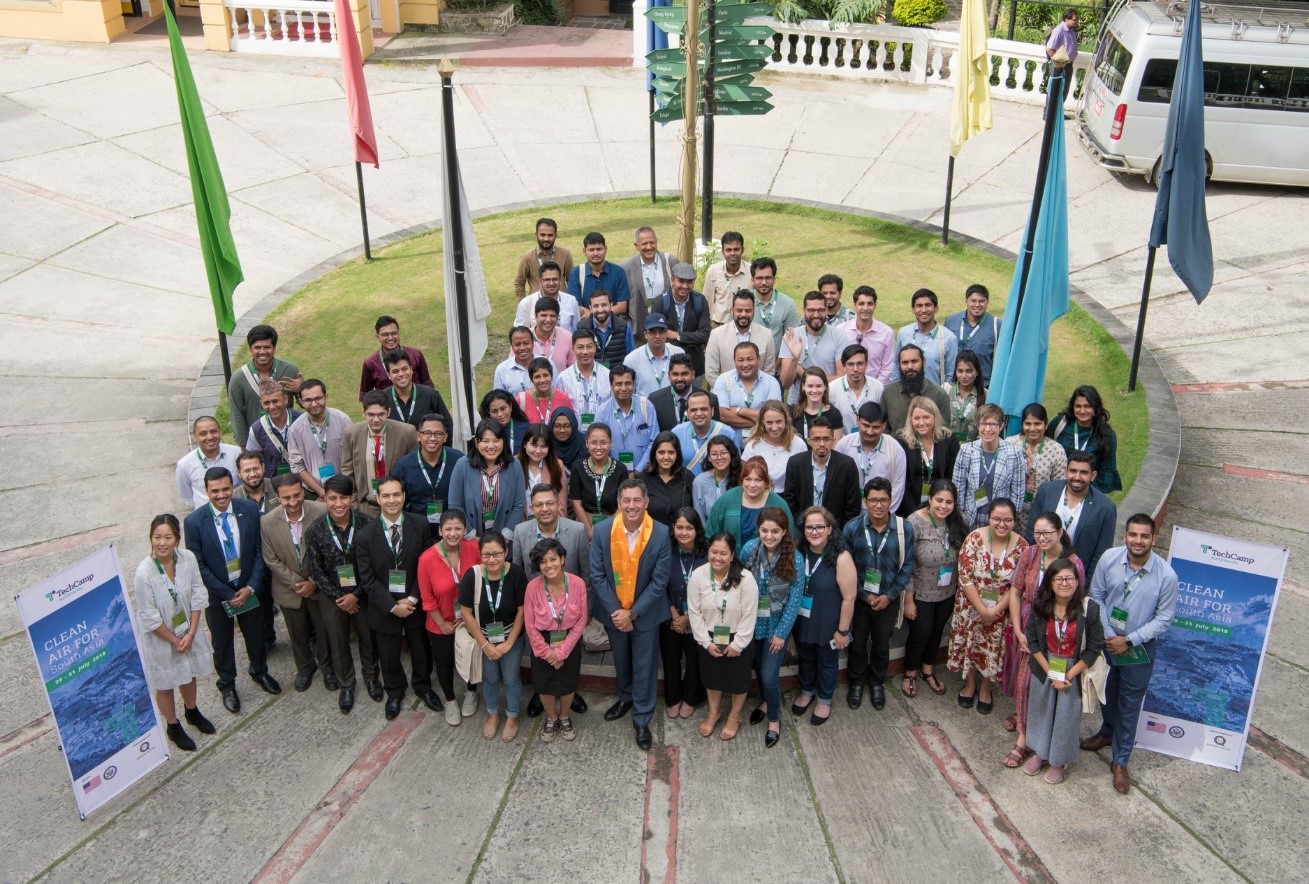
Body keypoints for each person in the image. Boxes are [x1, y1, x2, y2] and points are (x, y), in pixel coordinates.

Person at [1084, 514, 1179, 795]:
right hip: (1107, 640)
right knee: (1106, 691)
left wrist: (1130, 639)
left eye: (1144, 536)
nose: (1138, 541)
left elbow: (1164, 619)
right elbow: (1097, 596)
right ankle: (1106, 731)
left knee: (1129, 703)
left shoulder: (1166, 576)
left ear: (1154, 539)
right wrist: (1106, 633)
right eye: (1133, 535)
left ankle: (1121, 760)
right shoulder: (1109, 559)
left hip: (1138, 649)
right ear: (1124, 535)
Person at [183, 468, 281, 714]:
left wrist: (250, 586)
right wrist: (227, 594)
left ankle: (260, 672)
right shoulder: (193, 522)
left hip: (248, 588)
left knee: (255, 635)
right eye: (215, 491)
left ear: (232, 486)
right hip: (218, 596)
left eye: (226, 489)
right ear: (206, 491)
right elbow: (199, 566)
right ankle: (227, 684)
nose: (221, 495)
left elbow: (260, 551)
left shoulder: (247, 510)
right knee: (223, 643)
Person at [589, 478, 673, 751]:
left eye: (637, 500)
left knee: (645, 665)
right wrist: (616, 611)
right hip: (614, 612)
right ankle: (625, 698)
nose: (632, 505)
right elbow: (597, 575)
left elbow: (659, 582)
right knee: (622, 660)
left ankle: (642, 716)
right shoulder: (602, 531)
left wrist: (632, 613)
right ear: (619, 503)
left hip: (645, 614)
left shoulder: (660, 533)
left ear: (646, 503)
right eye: (627, 500)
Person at [1003, 512, 1084, 767]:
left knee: (1036, 682)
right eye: (1037, 533)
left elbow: (1075, 605)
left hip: (1053, 632)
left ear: (1060, 533)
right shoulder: (1030, 554)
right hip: (1026, 623)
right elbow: (1015, 591)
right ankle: (1023, 720)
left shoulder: (1072, 563)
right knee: (1022, 679)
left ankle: (1025, 740)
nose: (1042, 538)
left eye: (1047, 533)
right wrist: (1017, 628)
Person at [356, 477, 440, 720]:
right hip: (385, 607)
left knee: (421, 649)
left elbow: (426, 567)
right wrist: (393, 606)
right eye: (386, 495)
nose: (391, 500)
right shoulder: (364, 536)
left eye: (396, 495)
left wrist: (412, 599)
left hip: (415, 603)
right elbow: (367, 579)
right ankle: (394, 691)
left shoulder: (421, 524)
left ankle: (423, 686)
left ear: (404, 496)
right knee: (388, 653)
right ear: (377, 498)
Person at [134, 514, 216, 751]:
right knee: (166, 683)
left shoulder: (187, 558)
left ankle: (192, 711)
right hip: (162, 638)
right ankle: (173, 725)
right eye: (157, 537)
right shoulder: (144, 573)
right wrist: (175, 640)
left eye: (168, 537)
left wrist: (190, 633)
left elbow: (199, 592)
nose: (162, 543)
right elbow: (148, 616)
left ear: (177, 538)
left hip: (187, 631)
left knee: (189, 673)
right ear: (150, 538)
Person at [303, 474, 382, 713]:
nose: (338, 504)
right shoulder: (315, 530)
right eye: (332, 498)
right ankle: (346, 684)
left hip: (363, 593)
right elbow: (316, 570)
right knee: (338, 641)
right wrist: (340, 597)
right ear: (324, 499)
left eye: (344, 498)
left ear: (353, 498)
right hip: (331, 596)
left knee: (368, 638)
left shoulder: (368, 524)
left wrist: (356, 595)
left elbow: (374, 565)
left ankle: (371, 677)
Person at [1024, 558, 1103, 784]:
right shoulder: (1040, 606)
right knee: (1041, 711)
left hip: (1073, 671)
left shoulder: (1090, 609)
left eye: (1070, 578)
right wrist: (1051, 673)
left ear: (1078, 581)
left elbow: (1094, 647)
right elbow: (1032, 642)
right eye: (1059, 579)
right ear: (1049, 582)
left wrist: (1067, 676)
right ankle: (1040, 753)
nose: (1065, 583)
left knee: (1066, 718)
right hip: (1045, 667)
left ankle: (1059, 760)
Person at [842, 478, 916, 710]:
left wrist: (890, 595)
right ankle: (856, 683)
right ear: (866, 501)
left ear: (891, 501)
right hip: (859, 599)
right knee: (857, 644)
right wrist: (864, 595)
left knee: (882, 644)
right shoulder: (852, 528)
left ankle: (876, 683)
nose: (878, 505)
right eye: (873, 500)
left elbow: (908, 565)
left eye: (883, 500)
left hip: (888, 599)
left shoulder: (904, 529)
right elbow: (846, 567)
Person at [949, 498, 1028, 715]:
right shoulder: (974, 538)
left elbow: (1017, 585)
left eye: (1007, 520)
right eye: (996, 519)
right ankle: (970, 684)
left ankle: (986, 687)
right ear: (989, 518)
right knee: (972, 646)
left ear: (1014, 520)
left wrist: (995, 611)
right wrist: (982, 609)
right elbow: (965, 578)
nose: (1001, 525)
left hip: (1001, 613)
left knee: (993, 651)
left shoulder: (1023, 547)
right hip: (971, 608)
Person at [260, 474, 333, 694]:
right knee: (297, 633)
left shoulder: (320, 511)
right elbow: (270, 558)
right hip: (288, 589)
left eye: (297, 495)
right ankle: (304, 668)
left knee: (324, 630)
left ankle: (328, 668)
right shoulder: (267, 521)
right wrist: (296, 582)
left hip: (318, 586)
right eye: (286, 498)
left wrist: (313, 581)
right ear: (278, 498)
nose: (293, 502)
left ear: (303, 491)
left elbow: (328, 550)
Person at [741, 508, 805, 747]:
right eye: (765, 530)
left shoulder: (794, 557)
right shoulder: (749, 549)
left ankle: (775, 721)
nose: (769, 536)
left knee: (769, 675)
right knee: (758, 665)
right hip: (753, 620)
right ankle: (767, 701)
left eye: (775, 531)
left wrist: (781, 633)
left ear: (784, 531)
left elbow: (795, 599)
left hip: (777, 621)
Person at [456, 531, 529, 741]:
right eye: (486, 555)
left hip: (511, 638)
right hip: (483, 639)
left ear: (506, 552)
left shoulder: (516, 574)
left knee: (511, 678)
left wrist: (509, 642)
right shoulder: (473, 575)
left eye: (497, 554)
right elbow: (467, 613)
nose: (492, 560)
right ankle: (492, 713)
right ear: (480, 555)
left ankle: (512, 716)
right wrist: (485, 644)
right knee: (489, 678)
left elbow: (522, 611)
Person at [686, 533, 758, 741]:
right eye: (714, 552)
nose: (718, 557)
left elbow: (749, 614)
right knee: (712, 679)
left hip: (738, 637)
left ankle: (734, 716)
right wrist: (705, 643)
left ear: (732, 555)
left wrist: (739, 644)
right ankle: (714, 712)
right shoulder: (699, 575)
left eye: (723, 553)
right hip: (708, 636)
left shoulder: (745, 578)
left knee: (739, 681)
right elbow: (694, 612)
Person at [903, 480, 968, 699]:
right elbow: (907, 563)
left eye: (949, 502)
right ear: (930, 499)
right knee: (920, 634)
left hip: (948, 592)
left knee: (937, 631)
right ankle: (910, 673)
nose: (943, 506)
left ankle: (927, 670)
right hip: (921, 592)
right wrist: (909, 599)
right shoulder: (914, 522)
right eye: (939, 500)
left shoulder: (960, 521)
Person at [791, 506, 857, 725]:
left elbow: (849, 598)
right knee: (806, 657)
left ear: (830, 529)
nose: (814, 531)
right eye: (809, 527)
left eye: (820, 526)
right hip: (802, 618)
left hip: (830, 622)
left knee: (827, 662)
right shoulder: (798, 552)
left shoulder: (841, 556)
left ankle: (824, 699)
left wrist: (843, 631)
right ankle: (807, 691)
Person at [417, 510, 481, 727]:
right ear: (440, 530)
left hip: (469, 618)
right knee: (444, 663)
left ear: (465, 530)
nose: (453, 533)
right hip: (441, 622)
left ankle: (472, 692)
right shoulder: (426, 559)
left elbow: (480, 579)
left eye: (458, 529)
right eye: (448, 529)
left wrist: (468, 618)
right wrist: (442, 623)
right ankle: (450, 699)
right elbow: (426, 599)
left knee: (471, 656)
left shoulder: (473, 548)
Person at [524, 538, 589, 742]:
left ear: (562, 559)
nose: (549, 565)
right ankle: (551, 718)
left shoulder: (577, 584)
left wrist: (561, 652)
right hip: (542, 642)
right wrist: (547, 653)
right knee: (544, 685)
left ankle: (565, 716)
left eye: (553, 559)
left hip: (569, 640)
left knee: (568, 684)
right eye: (543, 561)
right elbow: (530, 625)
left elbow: (580, 622)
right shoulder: (532, 588)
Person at [1028, 451, 1117, 577]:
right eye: (1073, 471)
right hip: (1041, 569)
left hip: (1073, 577)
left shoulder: (1105, 508)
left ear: (1093, 475)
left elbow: (1101, 553)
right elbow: (1032, 530)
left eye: (1084, 472)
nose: (1077, 477)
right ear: (1066, 471)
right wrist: (1031, 567)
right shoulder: (1047, 491)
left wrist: (1085, 586)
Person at [341, 390, 419, 516]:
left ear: (388, 412)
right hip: (366, 507)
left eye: (381, 414)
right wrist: (355, 504)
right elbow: (347, 470)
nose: (376, 419)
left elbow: (414, 471)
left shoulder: (406, 432)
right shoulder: (351, 433)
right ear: (363, 413)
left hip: (397, 507)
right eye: (371, 414)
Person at [662, 508, 708, 720]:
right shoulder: (664, 551)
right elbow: (657, 585)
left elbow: (712, 589)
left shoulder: (707, 554)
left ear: (697, 530)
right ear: (673, 529)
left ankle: (691, 697)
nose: (684, 532)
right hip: (670, 617)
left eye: (689, 528)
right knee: (670, 658)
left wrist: (689, 618)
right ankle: (672, 698)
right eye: (679, 527)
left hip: (698, 618)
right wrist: (674, 615)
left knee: (694, 659)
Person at [448, 420, 527, 541]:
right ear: (476, 442)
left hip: (505, 539)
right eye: (485, 441)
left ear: (503, 442)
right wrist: (471, 535)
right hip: (471, 536)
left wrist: (504, 537)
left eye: (496, 441)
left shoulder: (514, 466)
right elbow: (455, 504)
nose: (491, 446)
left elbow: (519, 505)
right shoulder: (462, 465)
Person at [953, 403, 1026, 529]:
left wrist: (1010, 520)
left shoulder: (1014, 453)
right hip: (971, 518)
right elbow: (958, 487)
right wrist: (961, 518)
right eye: (983, 424)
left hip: (1000, 521)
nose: (987, 429)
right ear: (978, 425)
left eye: (992, 424)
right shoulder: (966, 450)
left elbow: (1017, 492)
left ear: (1001, 426)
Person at [228, 324, 303, 448]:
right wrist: (244, 446)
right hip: (257, 440)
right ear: (250, 349)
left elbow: (305, 404)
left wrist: (301, 390)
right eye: (257, 347)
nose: (262, 352)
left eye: (267, 347)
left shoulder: (290, 370)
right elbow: (237, 414)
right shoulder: (238, 378)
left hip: (288, 439)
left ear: (274, 348)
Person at [782, 416, 861, 528]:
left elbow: (852, 506)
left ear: (833, 441)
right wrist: (802, 528)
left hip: (835, 531)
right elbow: (790, 501)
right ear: (809, 440)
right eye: (816, 439)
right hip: (803, 530)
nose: (822, 443)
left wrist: (838, 532)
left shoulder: (846, 465)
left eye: (826, 438)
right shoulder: (795, 463)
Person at [393, 413, 464, 534]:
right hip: (416, 530)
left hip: (452, 530)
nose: (432, 438)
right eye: (427, 433)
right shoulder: (404, 465)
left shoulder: (459, 460)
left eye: (438, 434)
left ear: (445, 437)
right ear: (418, 436)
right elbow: (398, 500)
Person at [707, 456, 792, 551]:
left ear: (766, 482)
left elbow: (790, 538)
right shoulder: (727, 499)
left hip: (767, 562)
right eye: (748, 479)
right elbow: (711, 532)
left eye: (758, 480)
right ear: (741, 480)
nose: (752, 485)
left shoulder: (778, 504)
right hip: (732, 561)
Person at [1007, 403, 1068, 535]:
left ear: (1045, 425)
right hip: (1011, 511)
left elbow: (1059, 486)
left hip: (1041, 511)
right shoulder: (1010, 444)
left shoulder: (1056, 450)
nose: (1032, 428)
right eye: (1028, 424)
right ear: (1022, 424)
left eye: (1037, 424)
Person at [1049, 385, 1122, 494]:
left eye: (1087, 406)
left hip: (1087, 492)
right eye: (1078, 406)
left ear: (1095, 408)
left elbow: (1106, 474)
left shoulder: (1107, 435)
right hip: (1056, 489)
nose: (1082, 411)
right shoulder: (1060, 423)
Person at [896, 396, 961, 519]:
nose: (921, 423)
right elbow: (901, 482)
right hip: (908, 507)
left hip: (941, 508)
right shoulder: (901, 441)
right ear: (910, 419)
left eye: (926, 417)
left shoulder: (949, 439)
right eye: (916, 418)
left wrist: (939, 508)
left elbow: (951, 477)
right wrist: (914, 515)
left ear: (935, 417)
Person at [834, 402, 907, 512]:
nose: (870, 432)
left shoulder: (895, 449)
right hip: (849, 513)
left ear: (884, 425)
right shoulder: (844, 445)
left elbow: (897, 488)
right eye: (866, 426)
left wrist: (882, 515)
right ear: (858, 421)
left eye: (876, 427)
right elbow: (836, 482)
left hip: (882, 515)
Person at [779, 291, 848, 406]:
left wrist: (804, 373)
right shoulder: (792, 336)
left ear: (826, 310)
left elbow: (841, 379)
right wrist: (795, 360)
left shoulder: (839, 336)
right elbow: (786, 383)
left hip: (827, 403)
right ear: (804, 310)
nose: (816, 315)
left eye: (820, 310)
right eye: (811, 310)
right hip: (797, 404)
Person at [288, 379, 352, 500]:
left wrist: (340, 489)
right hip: (313, 494)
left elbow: (352, 457)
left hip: (343, 489)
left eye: (318, 398)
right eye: (308, 400)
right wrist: (322, 492)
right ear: (301, 402)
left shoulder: (343, 421)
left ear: (325, 397)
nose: (314, 404)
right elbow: (297, 466)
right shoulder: (295, 429)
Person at [512, 483, 590, 582]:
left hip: (570, 595)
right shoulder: (520, 532)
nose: (545, 509)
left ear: (559, 505)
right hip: (534, 596)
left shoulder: (578, 531)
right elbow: (517, 574)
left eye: (549, 503)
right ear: (532, 508)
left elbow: (586, 574)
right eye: (539, 505)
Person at [569, 422, 630, 540]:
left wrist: (608, 530)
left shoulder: (620, 469)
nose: (598, 447)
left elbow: (623, 503)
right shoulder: (578, 467)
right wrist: (589, 531)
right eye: (594, 443)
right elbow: (576, 503)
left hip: (613, 524)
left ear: (611, 443)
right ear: (587, 443)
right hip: (585, 523)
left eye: (603, 443)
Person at [705, 291, 778, 388]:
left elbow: (769, 372)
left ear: (754, 311)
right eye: (739, 310)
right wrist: (729, 393)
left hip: (757, 397)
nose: (743, 314)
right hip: (725, 396)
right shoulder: (716, 335)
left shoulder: (767, 335)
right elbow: (711, 374)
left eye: (748, 311)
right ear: (732, 310)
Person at [650, 262, 711, 377]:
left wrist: (677, 335)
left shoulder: (699, 301)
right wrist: (692, 337)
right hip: (667, 365)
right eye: (681, 281)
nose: (685, 286)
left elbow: (705, 335)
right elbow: (656, 334)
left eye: (689, 282)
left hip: (694, 366)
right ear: (672, 280)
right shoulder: (660, 302)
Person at [593, 365, 658, 471]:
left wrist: (638, 470)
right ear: (611, 386)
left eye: (628, 383)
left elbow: (654, 441)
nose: (623, 388)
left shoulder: (646, 406)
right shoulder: (603, 412)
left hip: (644, 473)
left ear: (633, 384)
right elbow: (598, 444)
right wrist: (616, 471)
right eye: (618, 384)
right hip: (612, 473)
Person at [892, 289, 959, 386]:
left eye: (928, 305)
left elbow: (951, 374)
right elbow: (896, 366)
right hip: (906, 394)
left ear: (936, 308)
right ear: (913, 309)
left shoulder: (949, 338)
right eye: (919, 306)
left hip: (935, 397)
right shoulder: (904, 333)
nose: (923, 310)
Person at [711, 341, 782, 432]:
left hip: (762, 438)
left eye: (750, 359)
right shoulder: (723, 380)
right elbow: (722, 414)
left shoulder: (771, 382)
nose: (745, 364)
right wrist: (761, 420)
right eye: (740, 360)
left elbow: (773, 416)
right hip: (730, 439)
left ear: (758, 359)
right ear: (734, 361)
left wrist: (739, 410)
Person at [359, 315, 433, 399]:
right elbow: (365, 395)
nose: (390, 338)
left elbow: (427, 384)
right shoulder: (370, 364)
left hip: (417, 405)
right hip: (389, 409)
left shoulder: (416, 355)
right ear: (378, 337)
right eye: (385, 334)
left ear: (399, 334)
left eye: (394, 333)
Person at [176, 416, 242, 510]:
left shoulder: (236, 453)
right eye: (203, 434)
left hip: (236, 511)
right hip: (206, 517)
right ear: (194, 437)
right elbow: (187, 496)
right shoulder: (184, 465)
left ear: (220, 432)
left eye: (213, 432)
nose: (210, 437)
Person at [882, 345, 952, 433]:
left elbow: (943, 431)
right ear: (899, 365)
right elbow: (884, 429)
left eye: (914, 361)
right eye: (905, 363)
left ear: (924, 362)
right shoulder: (889, 392)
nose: (910, 366)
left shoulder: (939, 395)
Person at [743, 401, 809, 492]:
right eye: (769, 422)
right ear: (763, 422)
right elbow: (745, 477)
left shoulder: (799, 445)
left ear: (786, 420)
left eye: (778, 422)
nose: (774, 427)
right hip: (760, 494)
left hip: (789, 495)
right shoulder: (753, 446)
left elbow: (804, 478)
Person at [620, 226, 675, 338]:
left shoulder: (670, 262)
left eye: (652, 242)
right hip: (638, 332)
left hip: (666, 330)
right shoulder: (626, 267)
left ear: (657, 242)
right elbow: (622, 300)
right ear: (636, 246)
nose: (649, 247)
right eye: (644, 243)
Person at [835, 285, 895, 384]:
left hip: (875, 389)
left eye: (870, 304)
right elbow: (837, 363)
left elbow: (887, 368)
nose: (865, 308)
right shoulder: (841, 330)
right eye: (861, 304)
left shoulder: (886, 333)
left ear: (875, 305)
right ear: (855, 305)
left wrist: (875, 389)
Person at [673, 390, 741, 476]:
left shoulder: (728, 433)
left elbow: (736, 466)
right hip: (686, 486)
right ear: (687, 413)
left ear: (712, 411)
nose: (699, 413)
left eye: (703, 409)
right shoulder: (677, 433)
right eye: (693, 410)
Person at [944, 284, 1002, 385]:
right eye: (973, 301)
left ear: (987, 302)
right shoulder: (951, 321)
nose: (977, 305)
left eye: (981, 301)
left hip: (983, 387)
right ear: (966, 301)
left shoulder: (996, 325)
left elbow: (1002, 358)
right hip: (954, 385)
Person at [552, 330, 611, 426]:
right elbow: (558, 410)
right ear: (573, 349)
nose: (585, 352)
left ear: (595, 348)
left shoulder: (608, 376)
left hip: (602, 435)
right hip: (574, 436)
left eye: (589, 347)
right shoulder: (563, 378)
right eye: (580, 347)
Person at [383, 349, 452, 431]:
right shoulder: (383, 399)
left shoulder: (431, 395)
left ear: (411, 369)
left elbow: (447, 427)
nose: (401, 374)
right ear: (389, 375)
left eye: (404, 369)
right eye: (395, 371)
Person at [244, 379, 301, 478]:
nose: (272, 406)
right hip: (274, 484)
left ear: (285, 399)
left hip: (304, 481)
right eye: (266, 403)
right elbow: (253, 458)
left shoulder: (301, 420)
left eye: (275, 401)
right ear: (261, 403)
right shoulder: (256, 429)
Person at [567, 231, 631, 317]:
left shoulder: (618, 272)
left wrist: (594, 315)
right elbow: (576, 306)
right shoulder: (576, 273)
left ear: (606, 249)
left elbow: (622, 306)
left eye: (599, 249)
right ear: (584, 251)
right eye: (591, 250)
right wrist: (597, 316)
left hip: (613, 326)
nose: (596, 253)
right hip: (586, 327)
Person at [651, 354, 720, 432]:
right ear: (669, 376)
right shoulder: (655, 400)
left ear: (693, 375)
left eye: (684, 374)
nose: (680, 379)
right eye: (675, 374)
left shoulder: (710, 399)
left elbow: (714, 433)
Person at [750, 257, 801, 358]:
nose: (764, 282)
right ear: (752, 280)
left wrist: (777, 365)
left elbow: (791, 340)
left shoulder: (787, 304)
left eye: (768, 278)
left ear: (774, 280)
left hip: (778, 367)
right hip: (750, 367)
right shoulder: (744, 303)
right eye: (759, 278)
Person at [623, 314, 684, 398]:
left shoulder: (678, 352)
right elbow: (628, 391)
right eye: (653, 332)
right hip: (644, 408)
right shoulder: (632, 359)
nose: (657, 336)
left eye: (661, 331)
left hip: (673, 407)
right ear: (645, 334)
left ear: (667, 333)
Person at [513, 217, 574, 300]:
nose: (546, 239)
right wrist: (523, 303)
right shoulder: (527, 258)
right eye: (542, 235)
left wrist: (569, 300)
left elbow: (572, 280)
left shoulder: (565, 254)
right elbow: (519, 282)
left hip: (561, 304)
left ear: (555, 235)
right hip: (537, 306)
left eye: (550, 235)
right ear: (536, 235)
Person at [830, 344, 884, 436]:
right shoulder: (832, 389)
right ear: (844, 366)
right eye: (850, 364)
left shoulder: (878, 387)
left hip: (871, 440)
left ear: (866, 365)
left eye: (860, 364)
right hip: (842, 444)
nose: (855, 369)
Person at [641, 432, 694, 525]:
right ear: (654, 454)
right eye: (661, 452)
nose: (666, 457)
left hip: (681, 537)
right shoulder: (643, 478)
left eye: (671, 452)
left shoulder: (687, 477)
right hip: (652, 536)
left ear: (677, 454)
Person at [515, 260, 580, 333]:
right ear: (540, 281)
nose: (551, 283)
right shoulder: (526, 303)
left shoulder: (571, 301)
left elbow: (576, 330)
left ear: (560, 280)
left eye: (555, 279)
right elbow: (518, 333)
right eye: (547, 280)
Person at [575, 289, 634, 370]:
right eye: (596, 306)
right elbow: (576, 357)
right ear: (590, 308)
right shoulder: (580, 328)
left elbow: (631, 357)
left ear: (611, 305)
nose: (600, 310)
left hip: (618, 379)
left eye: (604, 305)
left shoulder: (624, 326)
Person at [515, 424, 569, 511]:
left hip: (549, 521)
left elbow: (561, 504)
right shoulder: (514, 464)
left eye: (543, 446)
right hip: (521, 521)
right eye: (534, 445)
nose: (538, 451)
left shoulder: (557, 465)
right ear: (525, 444)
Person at [704, 230, 749, 328]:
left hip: (744, 325)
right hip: (718, 325)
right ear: (722, 252)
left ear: (742, 250)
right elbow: (707, 301)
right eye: (728, 250)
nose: (732, 253)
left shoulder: (751, 271)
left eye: (736, 249)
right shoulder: (714, 271)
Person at [692, 435, 742, 523]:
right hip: (708, 534)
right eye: (714, 454)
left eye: (723, 453)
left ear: (731, 454)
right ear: (709, 458)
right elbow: (699, 516)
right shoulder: (699, 481)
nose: (719, 457)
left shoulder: (741, 478)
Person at [943, 350, 986, 443]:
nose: (964, 376)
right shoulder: (946, 389)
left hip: (972, 449)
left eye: (969, 371)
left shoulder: (985, 394)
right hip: (946, 448)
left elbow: (985, 427)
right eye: (960, 371)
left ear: (977, 371)